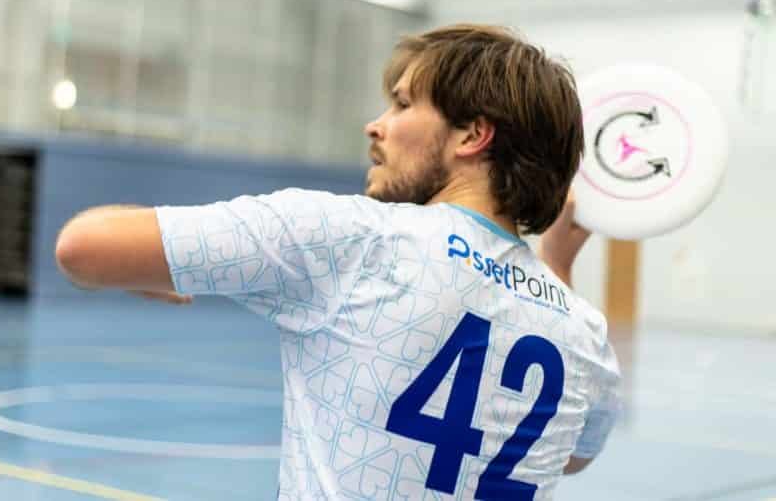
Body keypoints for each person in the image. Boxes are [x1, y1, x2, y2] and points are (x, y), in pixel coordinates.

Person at [55, 24, 622, 500]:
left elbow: (83, 248)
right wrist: (558, 265)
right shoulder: (582, 331)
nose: (376, 125)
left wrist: (152, 267)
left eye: (402, 104)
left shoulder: (353, 240)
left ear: (473, 135)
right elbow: (573, 455)